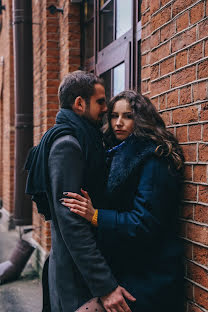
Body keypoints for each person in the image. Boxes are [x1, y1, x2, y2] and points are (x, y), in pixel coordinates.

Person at [61, 90, 185, 312]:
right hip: (125, 267)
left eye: (127, 116)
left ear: (141, 119)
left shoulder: (153, 158)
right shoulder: (115, 152)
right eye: (114, 116)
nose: (118, 123)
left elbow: (144, 222)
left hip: (150, 274)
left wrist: (95, 215)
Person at [25, 72, 136, 312]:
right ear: (79, 104)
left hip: (80, 271)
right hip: (76, 278)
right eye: (100, 102)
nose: (106, 108)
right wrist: (105, 286)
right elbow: (72, 223)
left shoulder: (86, 139)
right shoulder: (68, 145)